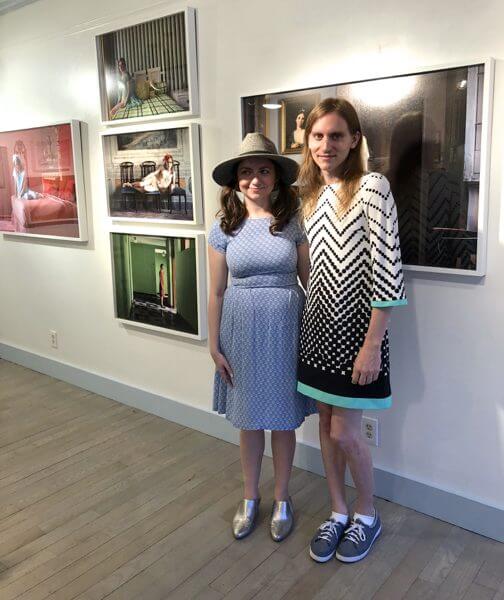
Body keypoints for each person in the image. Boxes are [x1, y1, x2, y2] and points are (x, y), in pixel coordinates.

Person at [296, 98, 407, 563]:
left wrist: (372, 346)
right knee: (325, 423)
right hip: (316, 329)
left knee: (346, 433)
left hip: (358, 335)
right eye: (318, 136)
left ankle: (367, 514)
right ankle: (338, 511)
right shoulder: (310, 195)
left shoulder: (372, 188)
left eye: (337, 135)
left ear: (355, 139)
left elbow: (389, 272)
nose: (326, 145)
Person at [208, 133, 317, 542]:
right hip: (240, 329)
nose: (256, 179)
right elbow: (216, 291)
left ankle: (283, 497)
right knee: (250, 420)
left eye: (264, 170)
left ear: (276, 178)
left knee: (283, 419)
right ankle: (251, 497)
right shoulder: (223, 226)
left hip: (287, 326)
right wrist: (213, 344)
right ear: (236, 181)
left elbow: (310, 282)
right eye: (247, 171)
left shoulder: (293, 223)